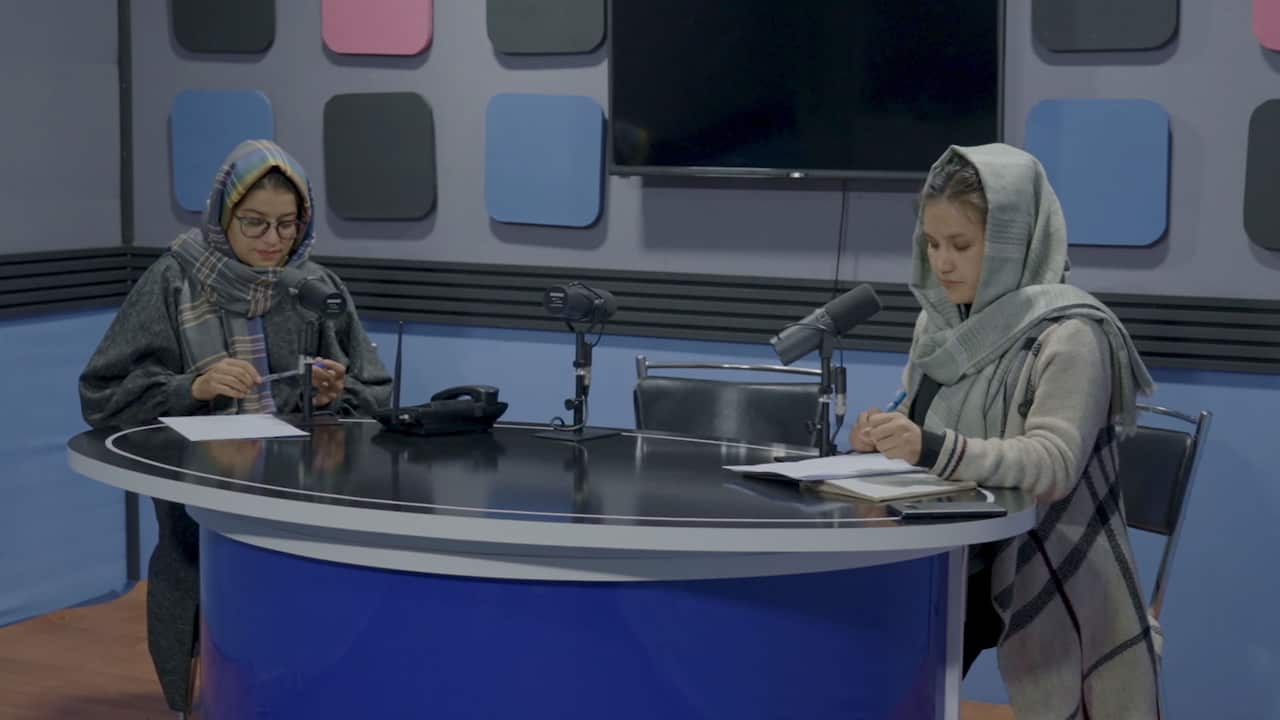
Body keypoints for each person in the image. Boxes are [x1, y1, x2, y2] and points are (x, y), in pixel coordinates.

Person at [848, 144, 1161, 718]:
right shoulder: (940, 323)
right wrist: (884, 432)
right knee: (857, 640)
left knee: (886, 648)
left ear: (1015, 242)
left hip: (1039, 553)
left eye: (961, 246)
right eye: (933, 245)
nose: (942, 264)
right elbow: (922, 427)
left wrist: (932, 447)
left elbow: (1053, 464)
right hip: (956, 549)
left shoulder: (1071, 334)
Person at [79, 139, 392, 711]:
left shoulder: (316, 288)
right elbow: (103, 398)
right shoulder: (172, 281)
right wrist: (190, 386)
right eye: (254, 224)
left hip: (301, 499)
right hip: (199, 507)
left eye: (287, 224)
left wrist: (336, 392)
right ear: (223, 217)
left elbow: (377, 395)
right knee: (207, 622)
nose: (273, 241)